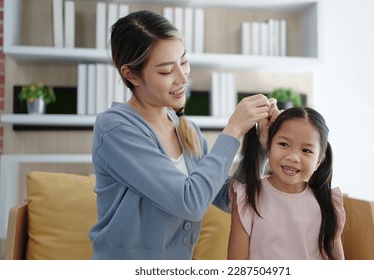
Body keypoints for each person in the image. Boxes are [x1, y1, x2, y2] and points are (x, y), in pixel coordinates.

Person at [89, 10, 279, 260]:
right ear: (131, 74)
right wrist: (233, 130)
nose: (182, 77)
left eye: (184, 62)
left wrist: (262, 148)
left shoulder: (186, 130)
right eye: (167, 71)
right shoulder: (115, 129)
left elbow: (228, 199)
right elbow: (190, 202)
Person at [228, 107, 346, 260]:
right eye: (284, 144)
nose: (293, 157)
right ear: (268, 146)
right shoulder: (246, 198)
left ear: (318, 162)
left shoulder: (327, 203)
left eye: (306, 150)